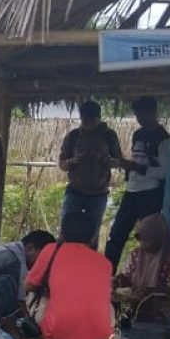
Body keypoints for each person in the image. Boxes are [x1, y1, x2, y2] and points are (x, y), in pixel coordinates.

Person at [24, 212, 114, 339]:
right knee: (108, 305)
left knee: (35, 296)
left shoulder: (51, 250)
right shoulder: (105, 263)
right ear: (93, 237)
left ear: (62, 234)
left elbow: (28, 286)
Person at [104, 97, 170, 270]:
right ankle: (107, 274)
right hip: (132, 189)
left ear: (153, 113)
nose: (140, 118)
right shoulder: (138, 134)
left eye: (143, 114)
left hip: (150, 192)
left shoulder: (164, 139)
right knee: (116, 233)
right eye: (137, 115)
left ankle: (148, 274)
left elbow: (164, 172)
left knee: (149, 236)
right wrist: (126, 165)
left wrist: (138, 168)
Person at [57, 101, 123, 245]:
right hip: (75, 191)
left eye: (91, 120)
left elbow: (119, 161)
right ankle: (59, 262)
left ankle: (88, 264)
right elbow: (62, 164)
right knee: (65, 231)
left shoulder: (109, 136)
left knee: (92, 235)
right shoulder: (73, 136)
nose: (87, 123)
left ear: (98, 118)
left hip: (98, 193)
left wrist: (102, 159)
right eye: (84, 119)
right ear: (81, 117)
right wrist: (74, 160)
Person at [114, 213, 170, 323]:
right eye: (141, 240)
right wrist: (117, 281)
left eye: (147, 240)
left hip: (163, 313)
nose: (143, 244)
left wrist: (151, 292)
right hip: (134, 308)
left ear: (158, 237)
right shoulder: (136, 254)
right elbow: (127, 276)